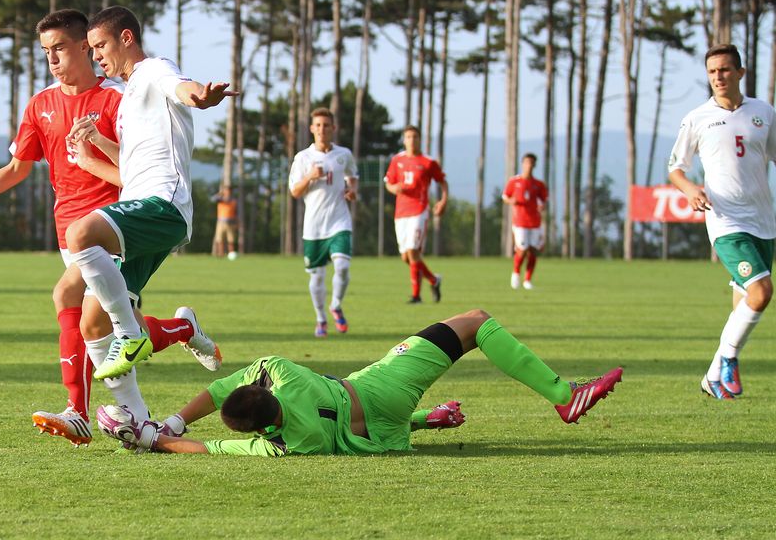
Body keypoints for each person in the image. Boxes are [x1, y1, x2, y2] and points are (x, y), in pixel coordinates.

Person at [0, 9, 218, 447]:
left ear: (84, 46)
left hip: (113, 225)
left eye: (60, 48)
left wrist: (94, 153)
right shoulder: (41, 105)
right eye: (45, 52)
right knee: (100, 327)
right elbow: (16, 168)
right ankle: (151, 395)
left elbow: (135, 172)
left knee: (70, 298)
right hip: (73, 233)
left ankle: (79, 411)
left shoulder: (120, 96)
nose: (53, 59)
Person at [97, 309, 623, 456]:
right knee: (475, 324)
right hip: (376, 387)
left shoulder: (283, 447)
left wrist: (159, 440)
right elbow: (218, 392)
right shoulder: (284, 372)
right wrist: (166, 424)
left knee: (360, 425)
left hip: (389, 434)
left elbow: (208, 445)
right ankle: (563, 395)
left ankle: (430, 417)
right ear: (264, 388)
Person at [64, 5, 236, 417]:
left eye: (100, 45)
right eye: (91, 49)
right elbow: (132, 170)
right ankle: (141, 422)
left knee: (80, 234)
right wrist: (93, 154)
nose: (96, 56)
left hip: (164, 206)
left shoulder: (152, 70)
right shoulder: (126, 101)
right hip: (141, 206)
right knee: (91, 322)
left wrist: (200, 96)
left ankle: (130, 332)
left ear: (126, 38)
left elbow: (181, 87)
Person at [668, 43, 776, 400]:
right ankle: (728, 359)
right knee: (762, 292)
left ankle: (712, 376)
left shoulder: (763, 113)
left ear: (741, 73)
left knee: (743, 302)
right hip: (725, 222)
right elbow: (676, 168)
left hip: (763, 222)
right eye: (713, 71)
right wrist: (689, 190)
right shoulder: (697, 118)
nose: (718, 77)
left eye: (726, 70)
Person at [288, 108, 359, 337]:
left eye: (326, 125)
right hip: (314, 227)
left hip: (340, 221)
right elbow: (295, 192)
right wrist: (310, 176)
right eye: (317, 125)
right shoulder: (303, 158)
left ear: (333, 128)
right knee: (317, 276)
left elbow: (352, 175)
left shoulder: (343, 154)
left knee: (343, 267)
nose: (321, 129)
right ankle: (321, 319)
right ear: (311, 129)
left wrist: (352, 190)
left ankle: (336, 305)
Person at [384, 126, 447, 304]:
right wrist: (394, 188)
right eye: (408, 137)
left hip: (419, 211)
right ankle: (434, 280)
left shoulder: (428, 162)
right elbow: (389, 182)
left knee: (412, 251)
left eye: (415, 137)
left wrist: (443, 200)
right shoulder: (397, 160)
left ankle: (416, 296)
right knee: (407, 257)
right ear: (404, 140)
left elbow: (442, 182)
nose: (412, 140)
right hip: (400, 212)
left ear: (420, 139)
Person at [502, 153, 548, 290]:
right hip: (520, 221)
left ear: (534, 165)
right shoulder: (514, 181)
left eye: (531, 163)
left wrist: (542, 206)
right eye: (527, 162)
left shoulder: (538, 184)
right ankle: (516, 273)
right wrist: (511, 201)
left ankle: (527, 280)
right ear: (523, 164)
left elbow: (544, 200)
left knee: (533, 251)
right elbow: (505, 196)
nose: (529, 165)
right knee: (522, 250)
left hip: (535, 222)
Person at [212, 186, 238, 258]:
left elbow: (236, 212)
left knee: (231, 239)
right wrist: (220, 193)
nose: (227, 192)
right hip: (221, 222)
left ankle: (231, 253)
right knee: (220, 239)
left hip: (230, 222)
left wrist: (237, 222)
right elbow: (213, 199)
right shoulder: (220, 199)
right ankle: (221, 254)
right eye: (226, 190)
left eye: (228, 191)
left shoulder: (233, 200)